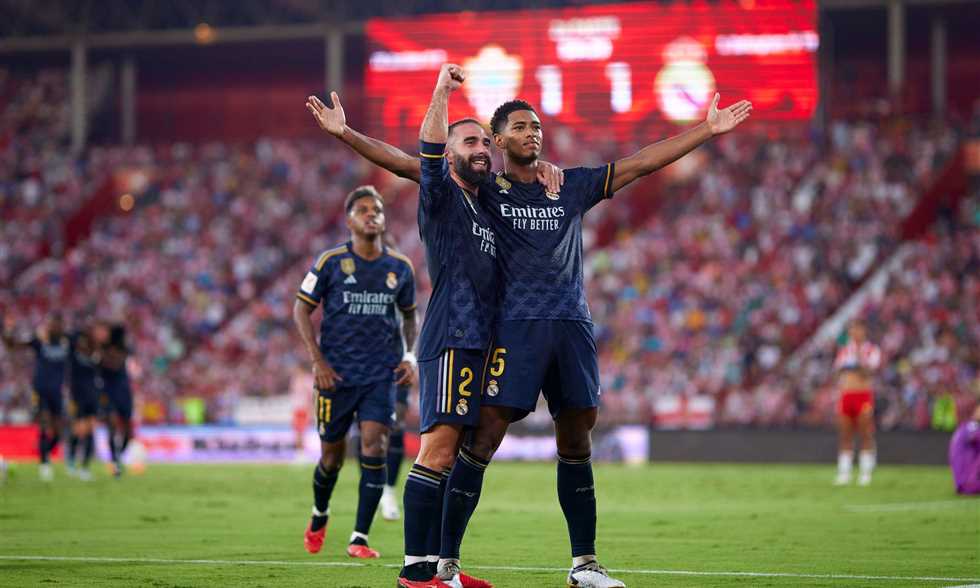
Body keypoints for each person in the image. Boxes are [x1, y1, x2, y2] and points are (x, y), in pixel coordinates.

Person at [310, 63, 752, 588]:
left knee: (577, 440)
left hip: (572, 327)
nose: (531, 133)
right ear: (498, 141)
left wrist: (706, 130)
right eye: (519, 127)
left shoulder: (569, 185)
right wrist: (347, 134)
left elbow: (639, 164)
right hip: (512, 329)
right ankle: (444, 564)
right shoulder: (483, 189)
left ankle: (584, 564)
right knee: (480, 440)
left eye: (536, 126)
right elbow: (416, 165)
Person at [294, 185, 419, 560]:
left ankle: (360, 537)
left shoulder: (400, 267)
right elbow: (301, 309)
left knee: (374, 447)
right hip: (336, 376)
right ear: (349, 221)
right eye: (363, 210)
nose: (371, 214)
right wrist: (317, 361)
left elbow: (410, 315)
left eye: (376, 210)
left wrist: (409, 355)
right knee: (331, 459)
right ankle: (320, 513)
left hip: (380, 375)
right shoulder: (331, 262)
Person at [2, 314, 70, 482]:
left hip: (57, 392)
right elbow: (13, 345)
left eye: (57, 325)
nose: (54, 328)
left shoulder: (67, 343)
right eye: (52, 324)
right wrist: (8, 330)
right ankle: (44, 463)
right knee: (44, 424)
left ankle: (44, 452)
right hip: (40, 391)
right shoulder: (39, 342)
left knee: (58, 432)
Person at [833, 321, 882, 486]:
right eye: (852, 329)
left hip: (863, 396)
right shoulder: (845, 350)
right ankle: (844, 472)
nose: (854, 332)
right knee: (845, 434)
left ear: (864, 330)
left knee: (865, 433)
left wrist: (857, 360)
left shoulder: (872, 350)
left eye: (857, 329)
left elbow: (868, 373)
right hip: (846, 395)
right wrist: (847, 366)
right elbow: (838, 372)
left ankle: (865, 472)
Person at [96, 322, 134, 477]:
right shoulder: (101, 350)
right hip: (108, 393)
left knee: (128, 432)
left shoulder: (123, 350)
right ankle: (115, 460)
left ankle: (118, 457)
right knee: (111, 425)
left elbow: (116, 364)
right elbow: (108, 365)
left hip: (124, 392)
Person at [66, 325, 101, 482]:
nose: (84, 344)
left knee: (90, 431)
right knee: (79, 430)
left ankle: (85, 467)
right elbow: (69, 338)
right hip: (77, 398)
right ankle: (71, 461)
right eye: (82, 341)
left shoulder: (94, 358)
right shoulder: (74, 356)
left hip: (92, 398)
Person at [380, 382, 411, 521]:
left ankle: (389, 492)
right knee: (365, 430)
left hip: (397, 373)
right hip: (363, 371)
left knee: (397, 425)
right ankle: (373, 486)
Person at [949, 405, 980, 495]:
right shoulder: (972, 427)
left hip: (962, 483)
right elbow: (975, 437)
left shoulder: (963, 428)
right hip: (970, 483)